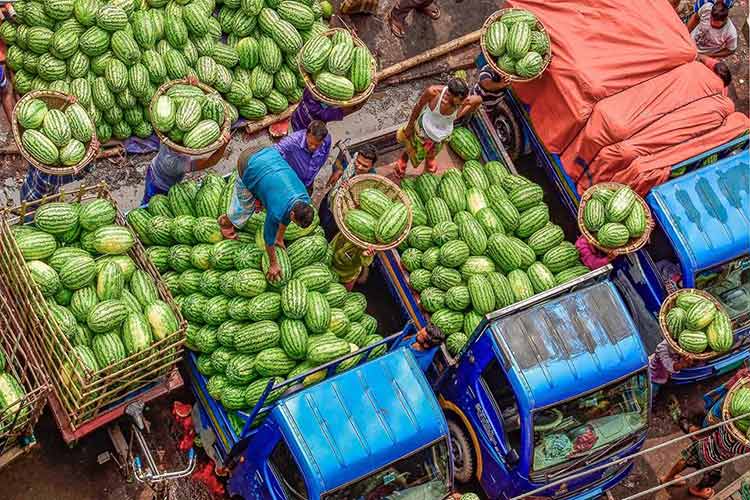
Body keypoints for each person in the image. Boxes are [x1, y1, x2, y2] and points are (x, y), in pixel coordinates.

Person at [219, 147, 315, 281]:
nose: (295, 224)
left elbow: (286, 218)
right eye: (296, 223)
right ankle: (225, 223)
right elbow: (268, 239)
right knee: (245, 208)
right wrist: (274, 264)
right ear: (292, 215)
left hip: (268, 153)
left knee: (265, 195)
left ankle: (258, 192)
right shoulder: (277, 212)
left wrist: (280, 238)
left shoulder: (304, 198)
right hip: (247, 163)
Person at [395, 78, 481, 177]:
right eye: (447, 95)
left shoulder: (465, 101)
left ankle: (430, 159)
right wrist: (410, 126)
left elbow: (478, 100)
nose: (445, 98)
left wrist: (464, 113)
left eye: (461, 101)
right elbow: (418, 106)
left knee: (433, 151)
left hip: (441, 136)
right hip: (423, 131)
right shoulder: (433, 92)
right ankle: (404, 158)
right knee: (412, 147)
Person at [659, 424, 750, 498]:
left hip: (703, 445)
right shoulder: (741, 444)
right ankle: (696, 490)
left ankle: (667, 478)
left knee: (684, 461)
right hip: (713, 461)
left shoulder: (728, 423)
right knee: (713, 477)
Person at [141, 136, 230, 205]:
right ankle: (143, 207)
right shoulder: (176, 164)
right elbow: (211, 161)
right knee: (151, 202)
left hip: (152, 169)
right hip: (160, 186)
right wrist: (223, 146)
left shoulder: (165, 141)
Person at [319, 144, 378, 239]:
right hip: (329, 200)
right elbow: (338, 161)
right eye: (358, 162)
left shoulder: (370, 182)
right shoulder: (354, 157)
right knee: (319, 220)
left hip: (339, 214)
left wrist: (348, 192)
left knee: (326, 234)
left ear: (372, 166)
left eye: (365, 166)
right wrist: (339, 170)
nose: (359, 167)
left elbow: (362, 204)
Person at [273, 120, 331, 193]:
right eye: (311, 143)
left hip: (309, 183)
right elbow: (274, 151)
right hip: (292, 183)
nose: (313, 147)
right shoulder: (293, 141)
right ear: (307, 134)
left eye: (317, 145)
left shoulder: (327, 140)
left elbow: (325, 156)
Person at [20, 164, 92, 202]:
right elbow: (81, 174)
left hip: (26, 189)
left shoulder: (37, 161)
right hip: (37, 204)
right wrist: (92, 158)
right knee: (32, 219)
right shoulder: (49, 178)